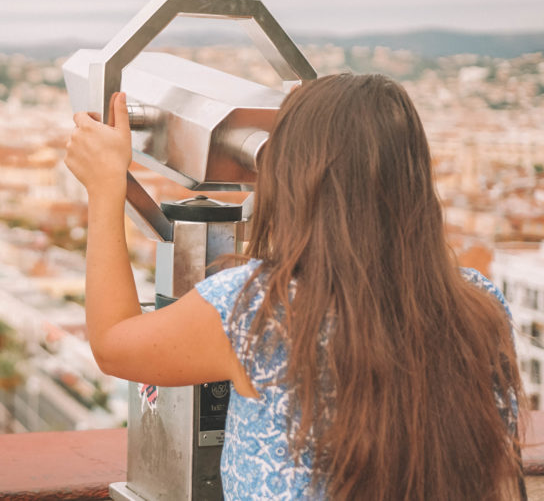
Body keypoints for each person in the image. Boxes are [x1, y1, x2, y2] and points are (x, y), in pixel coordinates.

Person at [64, 73, 525, 500]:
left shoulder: (258, 310)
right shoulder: (481, 304)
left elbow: (112, 343)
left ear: (292, 179)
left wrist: (107, 190)